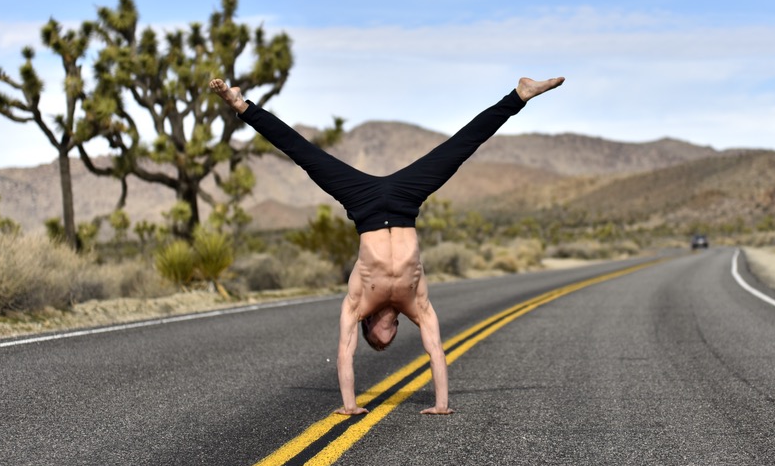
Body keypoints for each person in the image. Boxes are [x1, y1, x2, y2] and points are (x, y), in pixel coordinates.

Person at [210, 76, 564, 415]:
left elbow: (345, 352)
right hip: (404, 202)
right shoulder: (417, 304)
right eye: (389, 341)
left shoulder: (358, 303)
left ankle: (241, 106)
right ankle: (519, 95)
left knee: (305, 154)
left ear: (370, 327)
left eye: (381, 341)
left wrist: (349, 404)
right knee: (459, 149)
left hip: (363, 202)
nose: (389, 339)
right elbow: (435, 350)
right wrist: (441, 402)